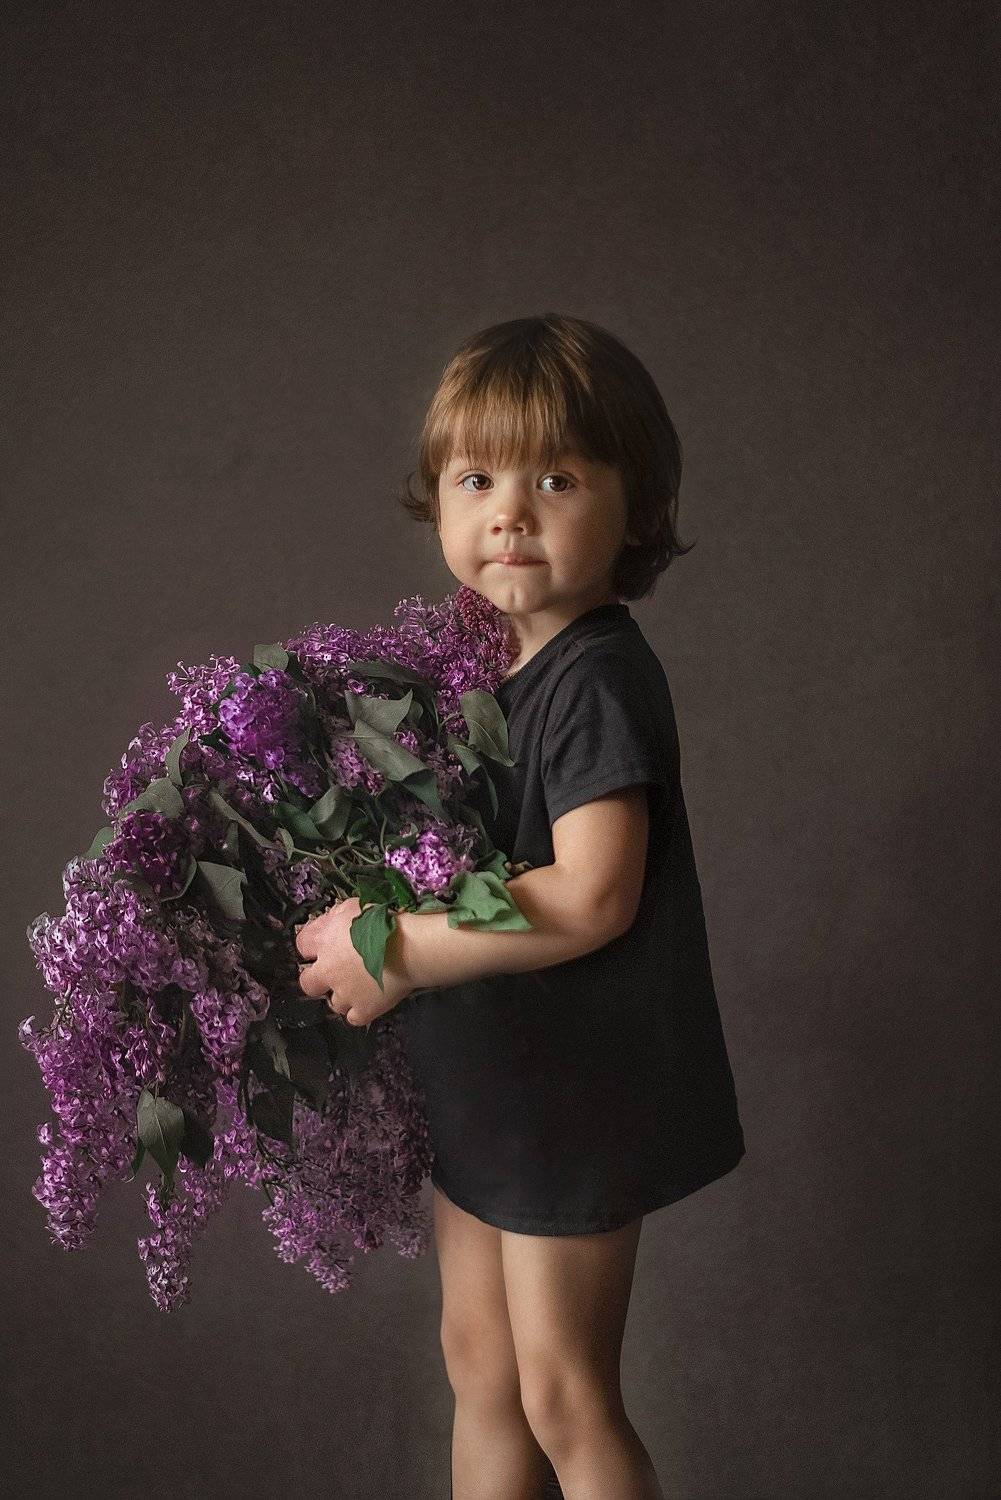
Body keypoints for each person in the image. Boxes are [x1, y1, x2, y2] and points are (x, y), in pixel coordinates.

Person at [295, 313, 746, 1500]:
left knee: (559, 1393)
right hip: (493, 1077)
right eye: (476, 479)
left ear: (635, 508)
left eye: (555, 479)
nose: (509, 513)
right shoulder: (475, 666)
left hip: (570, 1093)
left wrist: (394, 949)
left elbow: (592, 894)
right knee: (480, 1367)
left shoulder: (594, 676)